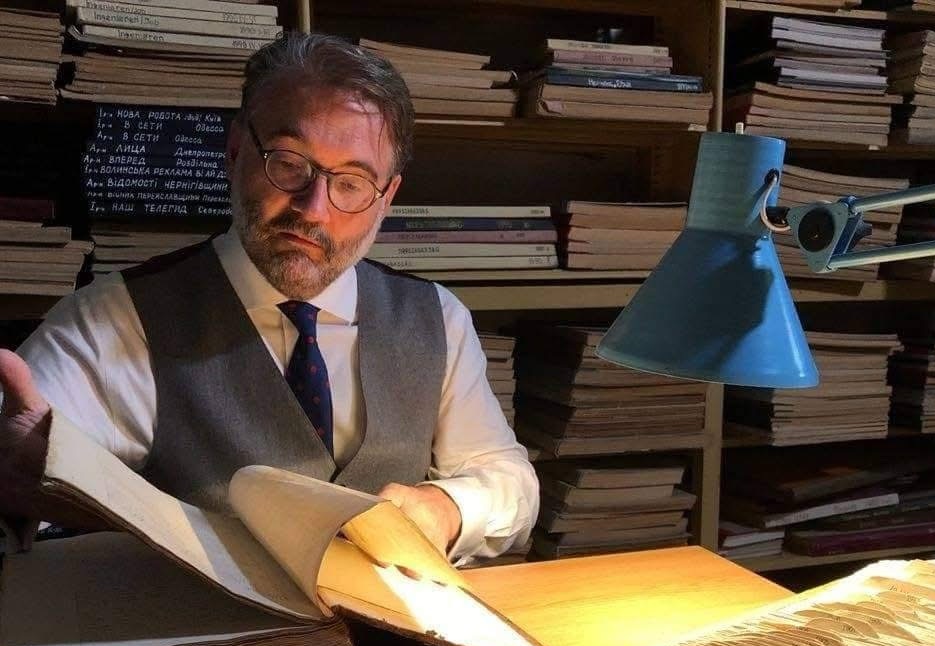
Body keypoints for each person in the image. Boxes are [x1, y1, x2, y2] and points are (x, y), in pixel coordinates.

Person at [0, 32, 537, 562]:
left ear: (387, 197)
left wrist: (448, 509)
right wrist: (24, 479)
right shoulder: (116, 320)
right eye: (288, 163)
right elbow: (23, 460)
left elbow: (509, 477)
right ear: (236, 151)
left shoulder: (437, 318)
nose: (313, 209)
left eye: (352, 182)